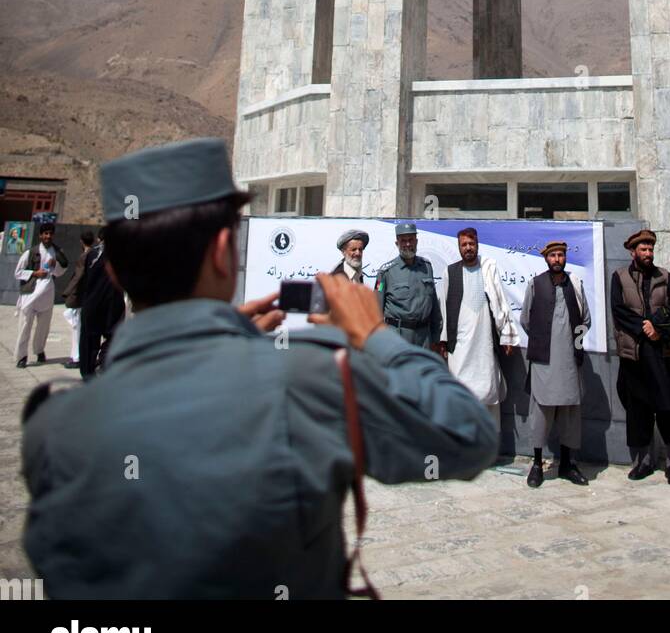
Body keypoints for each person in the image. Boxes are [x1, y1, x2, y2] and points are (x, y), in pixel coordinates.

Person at [20, 138, 498, 600]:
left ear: (114, 271)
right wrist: (375, 338)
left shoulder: (53, 428)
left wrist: (219, 338)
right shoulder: (310, 378)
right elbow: (464, 434)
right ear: (225, 250)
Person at [611, 228, 670, 484]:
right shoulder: (619, 277)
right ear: (633, 252)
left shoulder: (665, 277)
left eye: (650, 249)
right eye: (643, 249)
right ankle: (644, 461)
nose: (648, 253)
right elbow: (619, 311)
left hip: (662, 352)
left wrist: (658, 329)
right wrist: (645, 327)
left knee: (669, 406)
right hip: (635, 354)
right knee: (638, 410)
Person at [519, 241, 591, 488]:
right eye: (553, 256)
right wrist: (543, 340)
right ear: (546, 259)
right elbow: (526, 320)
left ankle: (567, 464)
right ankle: (538, 464)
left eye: (561, 255)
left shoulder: (576, 284)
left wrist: (574, 345)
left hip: (570, 363)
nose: (557, 259)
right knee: (541, 414)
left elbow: (586, 320)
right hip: (543, 363)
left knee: (570, 414)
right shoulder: (535, 285)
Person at [438, 227, 519, 432]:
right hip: (460, 346)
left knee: (488, 392)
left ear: (477, 245)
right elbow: (444, 308)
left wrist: (507, 336)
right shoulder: (450, 272)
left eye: (471, 244)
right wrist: (443, 340)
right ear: (459, 247)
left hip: (485, 342)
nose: (468, 248)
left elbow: (501, 302)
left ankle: (488, 446)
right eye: (464, 245)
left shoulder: (488, 268)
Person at [14, 213, 68, 368]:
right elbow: (18, 272)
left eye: (50, 234)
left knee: (43, 327)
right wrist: (35, 273)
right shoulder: (30, 252)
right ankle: (21, 356)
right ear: (40, 235)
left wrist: (54, 265)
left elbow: (59, 272)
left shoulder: (56, 252)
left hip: (47, 293)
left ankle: (39, 351)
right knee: (25, 325)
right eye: (45, 233)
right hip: (31, 293)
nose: (48, 236)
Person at [375, 225, 442, 348]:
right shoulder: (385, 272)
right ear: (397, 243)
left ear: (416, 241)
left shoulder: (426, 267)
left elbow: (433, 306)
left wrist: (436, 337)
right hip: (397, 337)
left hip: (424, 338)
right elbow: (376, 310)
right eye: (403, 241)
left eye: (411, 240)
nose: (407, 244)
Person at [78, 226, 127, 377]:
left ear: (99, 239)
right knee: (112, 337)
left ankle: (89, 373)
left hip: (92, 303)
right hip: (111, 304)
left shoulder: (91, 254)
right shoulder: (120, 254)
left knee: (89, 341)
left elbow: (81, 279)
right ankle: (104, 366)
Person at [61, 229, 96, 369]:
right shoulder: (96, 255)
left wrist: (67, 292)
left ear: (81, 241)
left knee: (77, 328)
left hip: (81, 297)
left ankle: (77, 357)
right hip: (90, 296)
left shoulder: (85, 256)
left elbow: (78, 277)